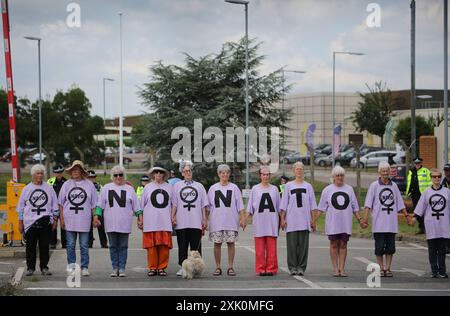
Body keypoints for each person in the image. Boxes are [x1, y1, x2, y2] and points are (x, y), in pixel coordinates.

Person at [314, 166, 367, 277]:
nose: (340, 177)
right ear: (333, 177)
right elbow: (321, 208)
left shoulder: (349, 189)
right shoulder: (327, 190)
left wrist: (360, 220)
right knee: (334, 244)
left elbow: (355, 207)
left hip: (345, 223)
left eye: (342, 175)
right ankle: (335, 268)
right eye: (337, 175)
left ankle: (342, 269)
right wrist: (313, 220)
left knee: (343, 244)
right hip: (333, 223)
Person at [363, 162, 410, 277]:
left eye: (387, 171)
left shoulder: (394, 186)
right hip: (378, 224)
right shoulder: (374, 186)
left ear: (389, 172)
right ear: (379, 172)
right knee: (379, 248)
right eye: (383, 171)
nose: (385, 173)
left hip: (391, 224)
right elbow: (368, 204)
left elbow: (400, 203)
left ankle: (388, 268)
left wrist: (407, 216)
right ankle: (381, 268)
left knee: (390, 248)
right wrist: (365, 218)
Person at [94, 165, 142, 277]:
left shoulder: (130, 189)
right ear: (112, 176)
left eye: (120, 174)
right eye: (116, 175)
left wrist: (140, 218)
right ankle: (115, 267)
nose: (118, 177)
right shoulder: (106, 188)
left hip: (125, 223)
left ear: (124, 176)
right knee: (113, 246)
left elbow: (137, 206)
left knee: (123, 246)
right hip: (110, 223)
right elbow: (100, 205)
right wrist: (96, 217)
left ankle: (122, 268)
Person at [18, 164, 59, 276]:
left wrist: (55, 220)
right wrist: (20, 222)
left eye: (41, 173)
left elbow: (55, 206)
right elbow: (21, 207)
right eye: (37, 173)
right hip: (30, 223)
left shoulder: (49, 188)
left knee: (44, 247)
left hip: (45, 222)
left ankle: (44, 267)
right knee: (30, 247)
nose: (40, 175)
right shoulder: (27, 189)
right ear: (33, 175)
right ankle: (30, 268)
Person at [59, 160, 98, 277]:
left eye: (77, 170)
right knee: (70, 244)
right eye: (73, 170)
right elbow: (60, 203)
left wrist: (95, 217)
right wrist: (61, 219)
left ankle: (84, 267)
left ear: (81, 171)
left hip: (84, 220)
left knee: (84, 245)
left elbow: (94, 204)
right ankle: (71, 266)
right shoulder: (66, 185)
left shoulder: (89, 185)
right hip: (69, 219)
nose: (75, 172)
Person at [207, 164, 246, 277]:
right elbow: (208, 207)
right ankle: (218, 267)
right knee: (217, 243)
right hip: (216, 221)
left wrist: (243, 218)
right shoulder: (213, 188)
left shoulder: (234, 188)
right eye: (222, 172)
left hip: (231, 221)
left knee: (231, 243)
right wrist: (204, 220)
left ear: (229, 174)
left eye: (227, 173)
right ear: (219, 174)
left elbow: (240, 205)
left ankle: (230, 267)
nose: (225, 174)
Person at [280, 162, 317, 276]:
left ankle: (301, 267)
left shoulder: (308, 186)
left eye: (301, 169)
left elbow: (312, 205)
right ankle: (292, 267)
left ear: (303, 171)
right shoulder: (288, 186)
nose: (299, 171)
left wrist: (313, 220)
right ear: (294, 171)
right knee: (291, 246)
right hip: (291, 220)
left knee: (303, 246)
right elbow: (283, 205)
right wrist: (282, 219)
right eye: (297, 169)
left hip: (304, 220)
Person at [171, 160, 208, 277]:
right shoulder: (177, 186)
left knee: (195, 248)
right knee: (182, 246)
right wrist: (173, 216)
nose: (188, 173)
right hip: (182, 221)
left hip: (196, 221)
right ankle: (182, 267)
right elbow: (174, 204)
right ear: (182, 173)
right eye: (185, 171)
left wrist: (205, 219)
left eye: (190, 170)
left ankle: (196, 268)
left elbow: (203, 205)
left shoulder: (199, 186)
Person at [413, 168, 450, 278]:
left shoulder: (447, 192)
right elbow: (420, 208)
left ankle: (442, 271)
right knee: (432, 249)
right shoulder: (426, 192)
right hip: (431, 224)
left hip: (444, 224)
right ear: (431, 178)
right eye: (434, 177)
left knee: (442, 249)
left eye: (439, 176)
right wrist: (414, 218)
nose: (437, 178)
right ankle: (434, 270)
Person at [245, 165, 280, 276]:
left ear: (270, 176)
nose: (265, 176)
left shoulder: (274, 189)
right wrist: (245, 220)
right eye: (263, 174)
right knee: (259, 250)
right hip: (259, 223)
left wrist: (283, 220)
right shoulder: (255, 189)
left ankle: (271, 268)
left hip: (272, 223)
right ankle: (260, 268)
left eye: (267, 174)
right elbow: (250, 207)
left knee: (272, 249)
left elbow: (279, 208)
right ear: (260, 175)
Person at [140, 166, 174, 277]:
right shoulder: (147, 187)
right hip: (151, 222)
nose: (158, 174)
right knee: (151, 247)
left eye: (161, 173)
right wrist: (140, 219)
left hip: (165, 221)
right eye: (156, 172)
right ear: (153, 174)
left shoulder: (169, 187)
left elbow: (174, 204)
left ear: (164, 174)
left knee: (164, 246)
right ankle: (152, 267)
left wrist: (174, 217)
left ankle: (162, 267)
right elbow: (142, 205)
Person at [406, 157, 431, 234]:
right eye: (416, 163)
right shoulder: (411, 171)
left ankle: (425, 227)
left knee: (424, 211)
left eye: (419, 163)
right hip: (415, 194)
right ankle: (421, 227)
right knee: (417, 211)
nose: (417, 164)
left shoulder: (426, 171)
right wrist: (407, 192)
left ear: (421, 163)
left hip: (423, 194)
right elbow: (409, 182)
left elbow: (430, 182)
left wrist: (429, 193)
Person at [47, 164, 67, 249]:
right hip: (53, 206)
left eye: (60, 173)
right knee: (53, 225)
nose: (58, 174)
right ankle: (52, 242)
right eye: (57, 173)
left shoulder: (66, 182)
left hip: (63, 206)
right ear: (54, 173)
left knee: (63, 225)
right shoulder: (50, 182)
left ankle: (65, 243)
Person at [87, 170, 108, 248]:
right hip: (88, 210)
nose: (91, 179)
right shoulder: (84, 187)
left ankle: (104, 243)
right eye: (89, 177)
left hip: (98, 209)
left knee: (101, 227)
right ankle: (89, 243)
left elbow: (104, 198)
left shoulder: (100, 187)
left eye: (92, 177)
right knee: (88, 228)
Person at [441, 164, 450, 254]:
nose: (446, 172)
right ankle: (447, 246)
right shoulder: (443, 181)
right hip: (446, 208)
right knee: (446, 227)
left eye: (448, 170)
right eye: (445, 171)